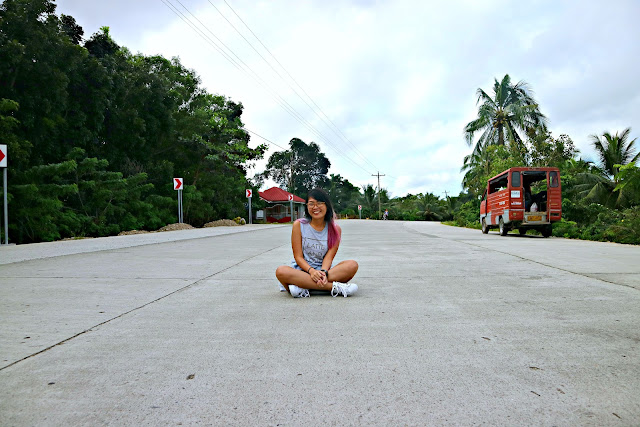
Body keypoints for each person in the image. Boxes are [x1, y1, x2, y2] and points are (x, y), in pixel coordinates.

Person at [275, 188, 359, 298]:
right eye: (311, 204)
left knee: (352, 265)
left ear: (327, 206)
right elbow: (298, 257)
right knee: (281, 271)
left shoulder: (335, 229)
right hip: (302, 271)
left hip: (326, 273)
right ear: (306, 206)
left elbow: (329, 258)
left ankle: (303, 288)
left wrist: (323, 272)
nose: (315, 207)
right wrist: (311, 271)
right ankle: (334, 288)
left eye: (319, 203)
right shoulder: (299, 225)